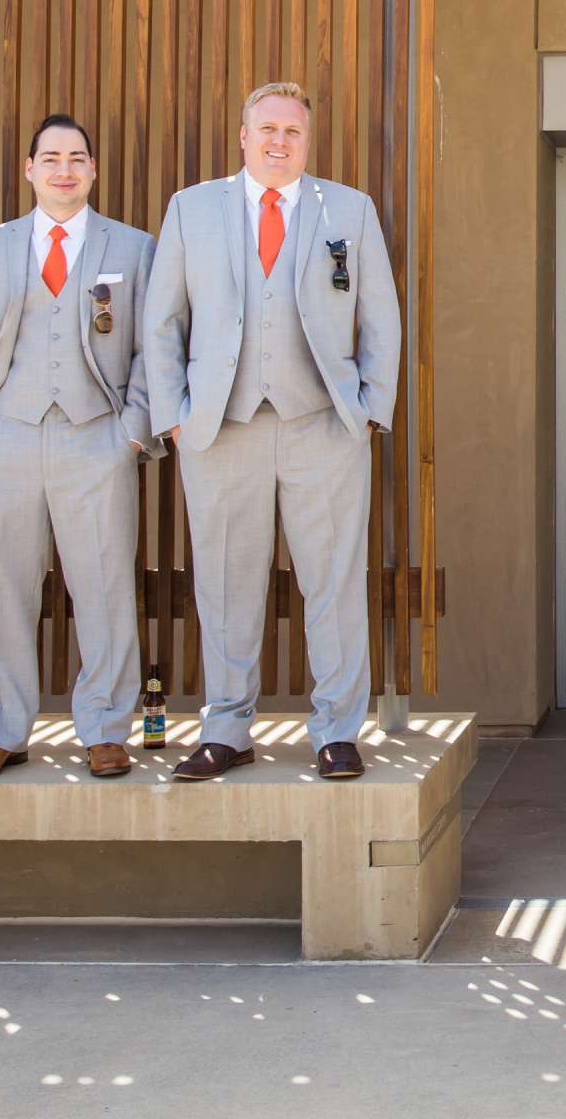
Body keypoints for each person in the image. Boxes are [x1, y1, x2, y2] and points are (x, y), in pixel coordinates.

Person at [141, 82, 401, 782]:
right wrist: (173, 409)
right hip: (220, 428)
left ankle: (337, 731)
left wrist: (372, 407)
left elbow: (378, 313)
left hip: (323, 425)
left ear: (307, 142)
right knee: (225, 582)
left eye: (293, 131)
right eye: (267, 129)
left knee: (334, 582)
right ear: (243, 136)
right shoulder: (192, 209)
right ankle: (227, 728)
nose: (279, 141)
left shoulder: (347, 209)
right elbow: (161, 318)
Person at [0, 114, 158, 781]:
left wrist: (133, 431)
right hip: (4, 434)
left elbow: (158, 348)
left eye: (76, 158)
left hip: (97, 433)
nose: (64, 169)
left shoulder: (133, 249)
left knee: (104, 586)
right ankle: (1, 730)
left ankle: (104, 728)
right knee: (3, 588)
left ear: (93, 170)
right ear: (29, 170)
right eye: (51, 158)